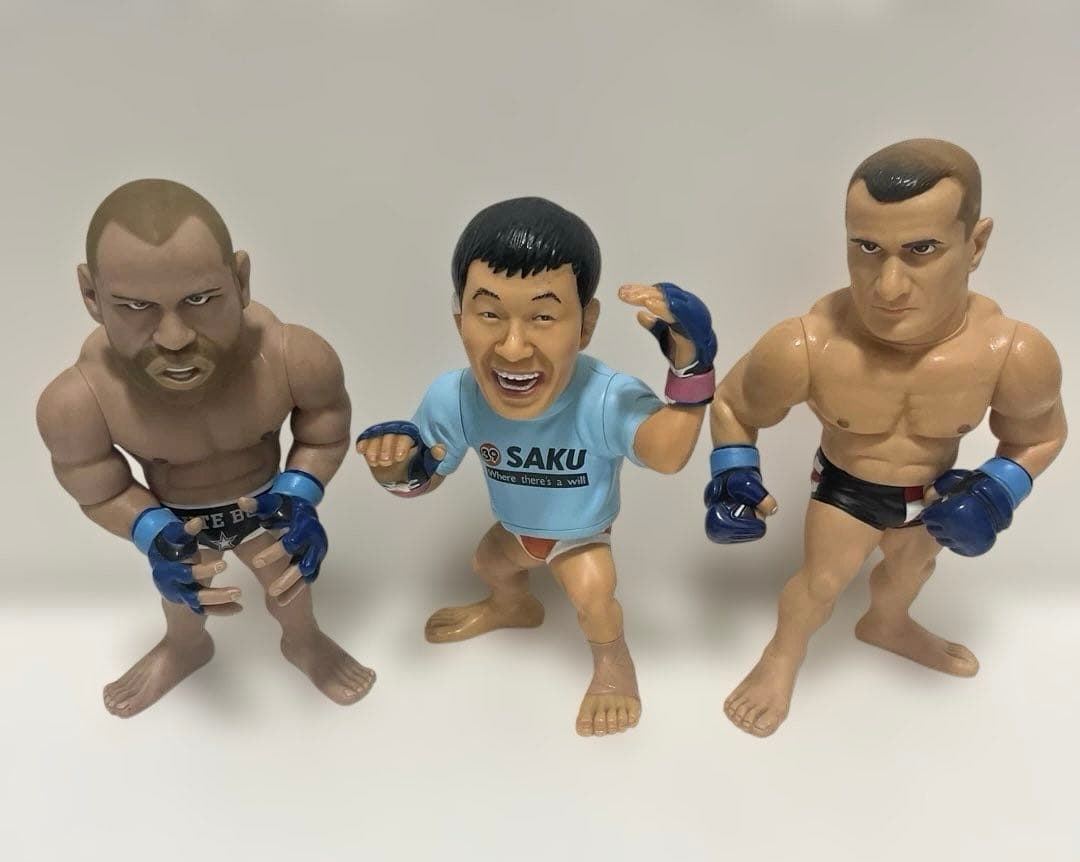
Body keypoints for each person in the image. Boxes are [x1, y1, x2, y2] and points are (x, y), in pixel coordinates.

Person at [705, 139, 1067, 737]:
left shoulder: (1010, 353)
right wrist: (733, 472)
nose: (888, 286)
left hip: (935, 496)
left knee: (909, 575)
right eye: (867, 248)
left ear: (976, 245)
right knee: (820, 584)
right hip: (847, 490)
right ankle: (781, 657)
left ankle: (887, 624)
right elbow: (732, 405)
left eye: (922, 249)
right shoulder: (807, 345)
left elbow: (1042, 436)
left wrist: (996, 491)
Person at [357, 196, 717, 736]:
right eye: (489, 314)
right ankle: (513, 607)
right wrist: (395, 468)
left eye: (544, 317)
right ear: (459, 320)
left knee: (594, 599)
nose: (513, 347)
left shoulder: (603, 398)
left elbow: (667, 456)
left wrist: (692, 369)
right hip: (515, 530)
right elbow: (424, 477)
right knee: (487, 563)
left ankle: (614, 666)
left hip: (583, 536)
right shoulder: (456, 397)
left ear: (585, 325)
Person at [37, 179, 375, 717]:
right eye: (136, 306)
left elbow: (324, 430)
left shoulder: (293, 357)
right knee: (182, 595)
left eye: (200, 300)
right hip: (177, 518)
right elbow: (97, 487)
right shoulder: (81, 401)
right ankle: (185, 647)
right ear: (91, 296)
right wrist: (154, 532)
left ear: (240, 280)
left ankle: (303, 641)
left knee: (290, 583)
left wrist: (298, 494)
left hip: (266, 504)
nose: (174, 337)